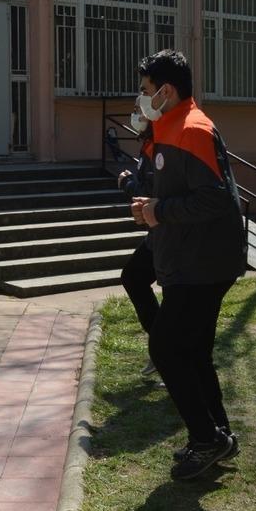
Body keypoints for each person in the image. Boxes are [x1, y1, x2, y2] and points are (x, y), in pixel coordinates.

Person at [132, 50, 247, 481]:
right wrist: (152, 205)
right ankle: (218, 435)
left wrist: (159, 211)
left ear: (166, 90)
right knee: (193, 352)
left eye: (146, 91)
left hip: (203, 261)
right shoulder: (171, 125)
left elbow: (215, 198)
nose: (142, 99)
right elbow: (177, 188)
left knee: (166, 348)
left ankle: (207, 438)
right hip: (190, 257)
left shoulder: (193, 127)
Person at [117, 106, 160, 383]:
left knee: (134, 277)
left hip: (171, 234)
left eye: (140, 110)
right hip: (160, 232)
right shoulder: (148, 145)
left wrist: (128, 184)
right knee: (133, 277)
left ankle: (164, 349)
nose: (135, 115)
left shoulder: (159, 147)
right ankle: (162, 347)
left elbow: (152, 192)